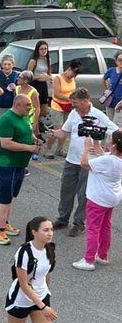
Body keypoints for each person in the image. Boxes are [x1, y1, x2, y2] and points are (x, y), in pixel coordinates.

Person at [46, 87, 118, 236]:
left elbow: (116, 132)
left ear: (86, 101)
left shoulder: (99, 116)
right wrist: (53, 132)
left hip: (89, 162)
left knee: (83, 194)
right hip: (71, 160)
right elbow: (64, 132)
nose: (73, 106)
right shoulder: (73, 113)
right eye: (72, 103)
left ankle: (79, 223)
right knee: (66, 190)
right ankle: (62, 218)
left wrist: (107, 151)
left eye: (76, 103)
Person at [0, 94, 38, 245]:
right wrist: (29, 147)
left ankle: (5, 223)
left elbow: (27, 132)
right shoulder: (7, 119)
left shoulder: (23, 116)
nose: (30, 107)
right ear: (17, 105)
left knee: (10, 196)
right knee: (4, 198)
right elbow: (6, 144)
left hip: (19, 164)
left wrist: (34, 139)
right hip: (6, 164)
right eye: (27, 105)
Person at [73, 133, 122, 270]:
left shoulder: (109, 161)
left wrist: (86, 147)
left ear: (113, 145)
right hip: (112, 197)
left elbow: (84, 163)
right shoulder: (115, 158)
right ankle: (102, 255)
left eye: (110, 141)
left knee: (93, 228)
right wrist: (96, 143)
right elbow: (103, 156)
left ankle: (88, 260)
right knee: (106, 226)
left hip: (98, 198)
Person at [44, 60, 82, 158]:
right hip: (57, 106)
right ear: (69, 69)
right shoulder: (58, 78)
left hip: (68, 106)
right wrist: (70, 99)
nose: (73, 75)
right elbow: (56, 94)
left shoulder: (73, 79)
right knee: (58, 130)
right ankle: (48, 149)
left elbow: (73, 90)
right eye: (73, 73)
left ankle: (60, 149)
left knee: (66, 129)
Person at [26, 40, 52, 129]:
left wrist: (48, 77)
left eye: (45, 49)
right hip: (35, 84)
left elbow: (49, 74)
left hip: (43, 85)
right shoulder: (33, 61)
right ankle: (33, 124)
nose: (44, 51)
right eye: (41, 49)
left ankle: (38, 121)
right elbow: (28, 76)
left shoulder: (48, 60)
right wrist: (38, 77)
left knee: (44, 108)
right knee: (35, 106)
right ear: (37, 50)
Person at [0, 55, 19, 128]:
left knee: (10, 127)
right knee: (0, 127)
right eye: (5, 64)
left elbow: (22, 88)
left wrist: (16, 87)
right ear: (1, 65)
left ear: (13, 65)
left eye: (9, 64)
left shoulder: (17, 75)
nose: (7, 67)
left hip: (12, 106)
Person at [103, 50, 122, 121]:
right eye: (120, 60)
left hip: (120, 103)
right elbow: (104, 79)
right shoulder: (111, 70)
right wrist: (107, 89)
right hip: (110, 101)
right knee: (110, 122)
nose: (121, 62)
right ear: (116, 61)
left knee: (118, 123)